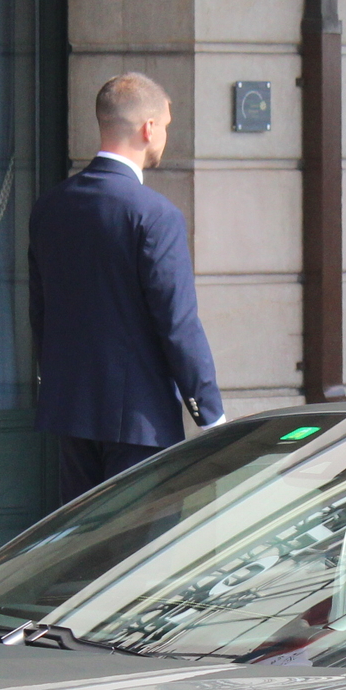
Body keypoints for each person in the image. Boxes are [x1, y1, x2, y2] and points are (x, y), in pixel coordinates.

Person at [28, 73, 225, 501]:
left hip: (71, 411)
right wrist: (210, 413)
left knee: (79, 550)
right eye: (167, 127)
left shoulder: (50, 207)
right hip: (141, 420)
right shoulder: (155, 215)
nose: (164, 138)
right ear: (148, 128)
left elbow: (41, 314)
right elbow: (177, 323)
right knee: (139, 555)